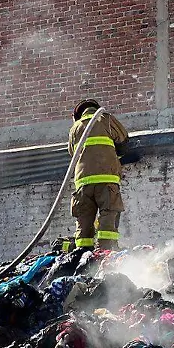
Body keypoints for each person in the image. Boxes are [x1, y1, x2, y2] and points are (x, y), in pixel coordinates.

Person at [68, 99, 129, 250]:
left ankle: (83, 255)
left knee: (84, 220)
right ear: (96, 109)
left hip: (82, 183)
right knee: (108, 216)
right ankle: (105, 252)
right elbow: (123, 140)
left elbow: (72, 154)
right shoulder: (105, 119)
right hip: (106, 180)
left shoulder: (74, 129)